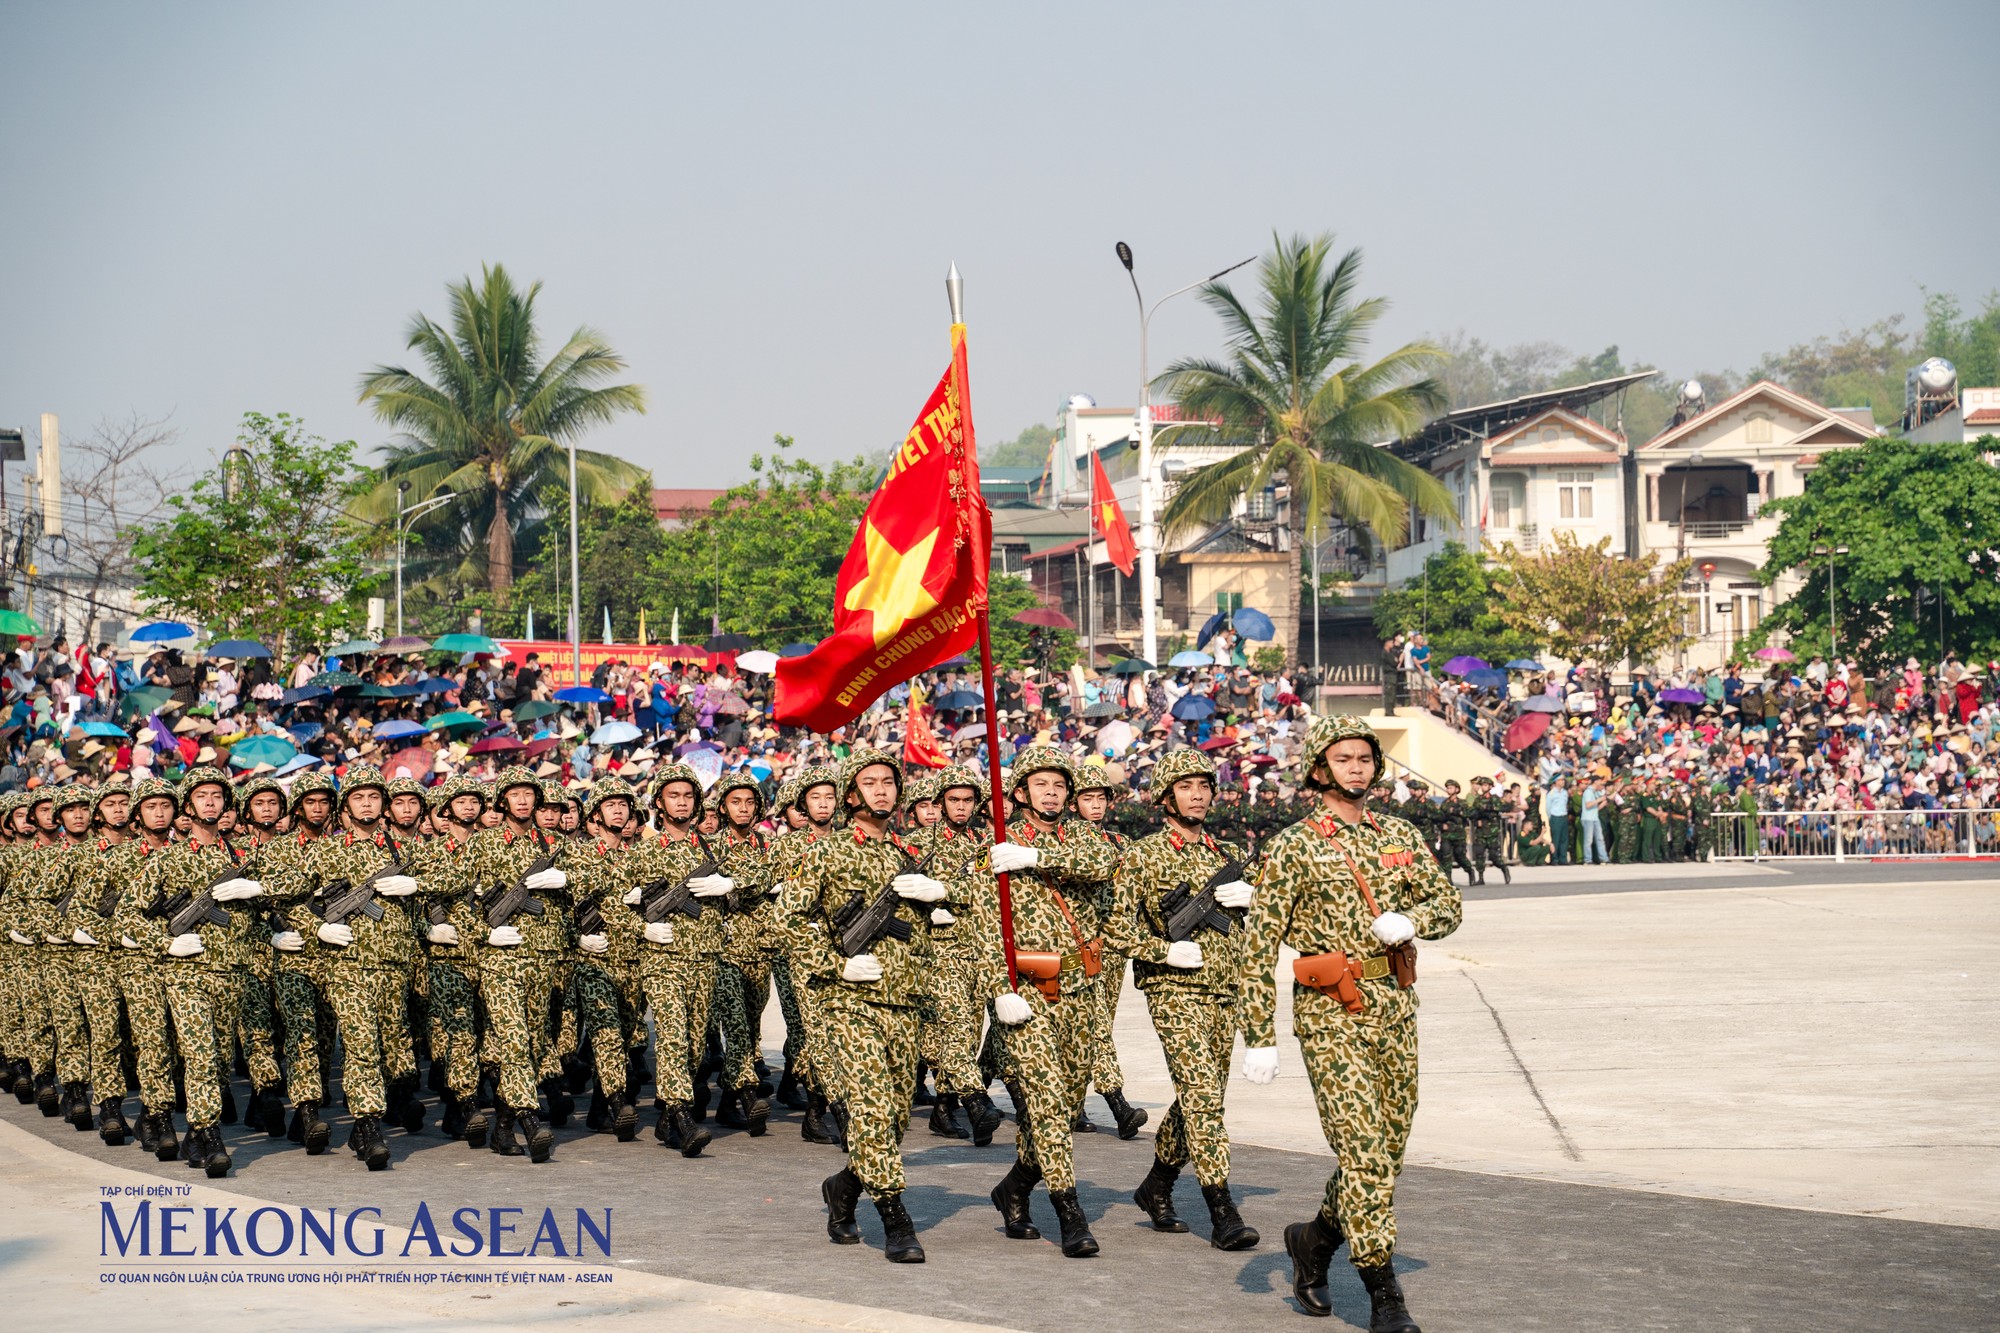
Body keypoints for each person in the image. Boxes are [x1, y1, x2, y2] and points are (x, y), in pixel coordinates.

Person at [1239, 716, 1461, 1329]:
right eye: (1344, 759)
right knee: (1361, 1152)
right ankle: (1383, 1293)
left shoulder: (1400, 833)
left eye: (1365, 757)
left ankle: (1314, 1240)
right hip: (1330, 1010)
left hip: (1394, 1003)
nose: (1357, 767)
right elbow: (1257, 950)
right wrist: (1259, 1035)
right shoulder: (1294, 845)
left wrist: (1412, 920)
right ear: (1319, 770)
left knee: (1385, 1152)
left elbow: (1448, 904)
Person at [785, 748, 943, 1263]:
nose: (881, 790)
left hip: (905, 1001)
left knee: (893, 1121)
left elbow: (959, 908)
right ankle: (896, 1221)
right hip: (849, 1003)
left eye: (889, 783)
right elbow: (788, 920)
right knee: (872, 1111)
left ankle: (845, 1187)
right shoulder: (826, 852)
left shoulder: (908, 853)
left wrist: (941, 896)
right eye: (869, 783)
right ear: (851, 795)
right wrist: (835, 963)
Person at [1104, 747, 1259, 1250]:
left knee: (1202, 1097)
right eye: (1186, 787)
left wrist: (1255, 900)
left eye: (1204, 786)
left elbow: (1273, 914)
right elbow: (1115, 928)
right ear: (1165, 797)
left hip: (1224, 986)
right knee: (1201, 1094)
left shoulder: (1225, 855)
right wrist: (1164, 951)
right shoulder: (1143, 854)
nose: (1197, 795)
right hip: (1174, 988)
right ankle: (1221, 1207)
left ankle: (1157, 1186)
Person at [982, 746, 1121, 1259]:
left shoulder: (1083, 838)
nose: (1053, 793)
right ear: (1020, 793)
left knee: (1060, 1110)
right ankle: (1069, 1211)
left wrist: (1041, 857)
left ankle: (1015, 1188)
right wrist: (1000, 989)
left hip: (1082, 993)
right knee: (1043, 1102)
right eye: (1041, 785)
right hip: (1030, 996)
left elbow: (1105, 863)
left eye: (1059, 785)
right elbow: (984, 929)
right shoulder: (996, 846)